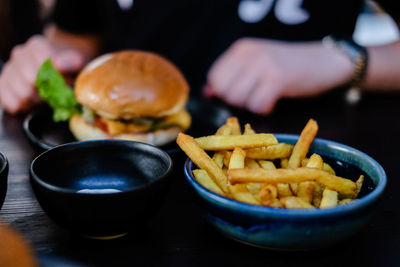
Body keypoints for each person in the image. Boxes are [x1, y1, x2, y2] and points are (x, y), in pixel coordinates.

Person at [1, 0, 400, 115]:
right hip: (119, 171)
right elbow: (77, 34)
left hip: (312, 147)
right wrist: (48, 65)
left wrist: (343, 59)